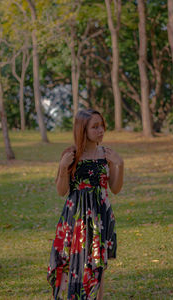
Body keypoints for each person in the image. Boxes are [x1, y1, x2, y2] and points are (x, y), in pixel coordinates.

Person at [47, 108, 124, 300]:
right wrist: (64, 167)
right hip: (76, 216)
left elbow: (115, 188)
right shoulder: (70, 154)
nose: (101, 130)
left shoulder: (106, 155)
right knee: (74, 261)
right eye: (95, 127)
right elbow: (61, 190)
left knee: (98, 262)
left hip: (100, 215)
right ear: (83, 129)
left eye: (102, 126)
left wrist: (119, 165)